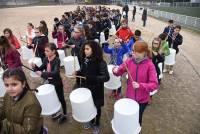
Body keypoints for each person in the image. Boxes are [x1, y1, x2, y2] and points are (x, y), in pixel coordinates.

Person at [113, 41, 158, 126]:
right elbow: (119, 71)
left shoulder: (150, 65)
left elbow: (154, 84)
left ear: (143, 53)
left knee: (137, 118)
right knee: (128, 116)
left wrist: (140, 85)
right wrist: (115, 70)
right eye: (133, 50)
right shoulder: (129, 61)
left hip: (142, 100)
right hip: (129, 96)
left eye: (135, 51)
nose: (133, 53)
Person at [75, 40, 110, 134]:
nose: (84, 51)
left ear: (94, 50)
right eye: (84, 49)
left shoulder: (101, 62)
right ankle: (91, 120)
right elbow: (83, 70)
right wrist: (78, 72)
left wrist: (93, 78)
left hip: (96, 89)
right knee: (89, 105)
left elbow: (106, 77)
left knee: (97, 106)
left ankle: (97, 123)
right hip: (87, 87)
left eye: (87, 49)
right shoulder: (85, 59)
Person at [0, 68, 44, 134]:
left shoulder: (31, 104)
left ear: (23, 84)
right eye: (7, 85)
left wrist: (3, 127)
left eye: (14, 84)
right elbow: (3, 110)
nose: (10, 89)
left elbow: (28, 131)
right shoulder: (8, 95)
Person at [32, 43, 67, 124]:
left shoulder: (57, 60)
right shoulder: (45, 59)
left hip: (57, 83)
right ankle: (55, 111)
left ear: (53, 51)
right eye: (45, 50)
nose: (45, 52)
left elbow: (55, 73)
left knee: (61, 98)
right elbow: (41, 68)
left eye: (47, 51)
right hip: (50, 82)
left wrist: (43, 74)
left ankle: (65, 114)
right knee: (53, 97)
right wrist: (35, 67)